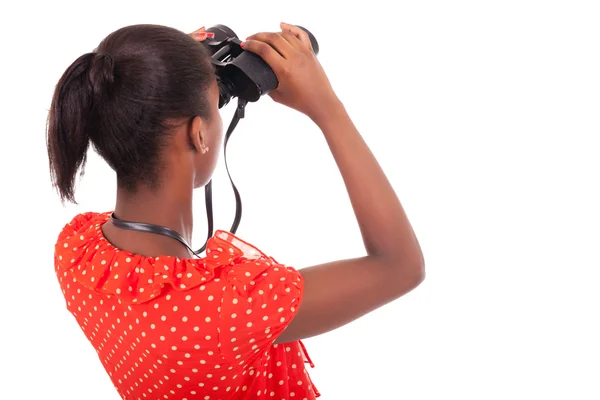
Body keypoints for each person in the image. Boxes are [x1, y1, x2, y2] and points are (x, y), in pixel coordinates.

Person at [47, 23, 425, 399]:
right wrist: (327, 108)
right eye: (216, 105)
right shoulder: (229, 309)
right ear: (197, 134)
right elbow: (400, 265)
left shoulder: (78, 253)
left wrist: (180, 74)